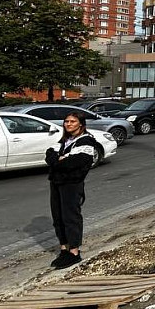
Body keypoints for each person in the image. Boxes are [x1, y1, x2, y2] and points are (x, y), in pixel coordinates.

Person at [45, 111, 99, 269]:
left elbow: (77, 162)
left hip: (72, 184)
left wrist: (61, 160)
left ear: (81, 124)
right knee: (58, 216)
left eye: (72, 122)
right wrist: (59, 159)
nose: (68, 124)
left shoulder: (86, 141)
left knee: (71, 217)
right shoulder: (65, 140)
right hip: (56, 182)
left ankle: (74, 251)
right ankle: (64, 248)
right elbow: (49, 155)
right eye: (66, 121)